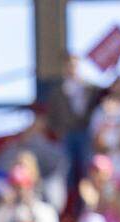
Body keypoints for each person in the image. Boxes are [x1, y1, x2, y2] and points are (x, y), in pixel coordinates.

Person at [46, 54, 100, 182]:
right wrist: (59, 131)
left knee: (87, 166)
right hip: (67, 134)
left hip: (86, 132)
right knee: (66, 169)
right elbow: (51, 115)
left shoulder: (90, 88)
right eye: (69, 65)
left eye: (74, 65)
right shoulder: (57, 91)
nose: (72, 68)